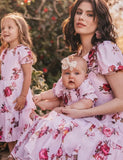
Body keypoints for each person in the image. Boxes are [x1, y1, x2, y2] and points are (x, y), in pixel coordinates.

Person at [10, 0, 123, 159]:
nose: (81, 17)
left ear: (99, 21)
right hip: (82, 119)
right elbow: (65, 96)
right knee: (42, 125)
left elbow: (122, 100)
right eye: (79, 12)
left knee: (53, 127)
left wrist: (81, 113)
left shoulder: (105, 49)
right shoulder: (78, 55)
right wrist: (39, 101)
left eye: (89, 14)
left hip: (107, 124)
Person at [0, 12, 36, 154]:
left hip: (18, 95)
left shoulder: (23, 51)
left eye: (10, 27)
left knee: (21, 126)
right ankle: (13, 155)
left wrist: (22, 96)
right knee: (8, 125)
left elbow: (28, 76)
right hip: (5, 97)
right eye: (3, 28)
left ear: (20, 30)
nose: (5, 30)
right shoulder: (3, 52)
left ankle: (24, 155)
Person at [32, 55, 97, 113]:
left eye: (76, 73)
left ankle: (45, 108)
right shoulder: (63, 84)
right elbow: (54, 92)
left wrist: (70, 108)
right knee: (58, 101)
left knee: (58, 108)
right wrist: (41, 96)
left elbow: (88, 102)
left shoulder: (85, 86)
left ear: (85, 77)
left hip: (80, 115)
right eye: (67, 73)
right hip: (65, 108)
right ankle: (43, 104)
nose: (71, 76)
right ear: (62, 75)